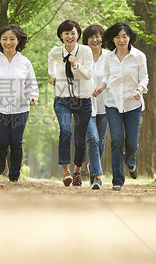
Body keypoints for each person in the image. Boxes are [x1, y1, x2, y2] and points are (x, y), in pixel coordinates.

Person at [93, 22, 149, 191]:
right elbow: (107, 77)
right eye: (117, 37)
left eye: (124, 36)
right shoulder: (109, 57)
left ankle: (131, 161)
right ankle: (118, 180)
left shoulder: (139, 56)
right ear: (113, 39)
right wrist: (101, 88)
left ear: (129, 37)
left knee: (131, 143)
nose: (121, 40)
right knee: (117, 140)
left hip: (133, 103)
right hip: (112, 103)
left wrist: (139, 90)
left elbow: (144, 78)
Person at [0, 24, 39, 182]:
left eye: (12, 39)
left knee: (16, 142)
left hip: (20, 108)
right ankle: (1, 156)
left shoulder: (25, 62)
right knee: (0, 142)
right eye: (5, 39)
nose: (8, 42)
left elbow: (31, 84)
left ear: (18, 41)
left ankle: (14, 177)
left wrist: (33, 96)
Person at [48, 20, 93, 188]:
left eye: (73, 33)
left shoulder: (86, 51)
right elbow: (50, 61)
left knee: (80, 139)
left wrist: (76, 65)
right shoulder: (55, 52)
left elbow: (88, 75)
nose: (70, 36)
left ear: (78, 35)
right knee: (66, 131)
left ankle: (77, 171)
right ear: (61, 35)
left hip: (83, 100)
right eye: (66, 33)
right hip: (62, 99)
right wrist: (52, 74)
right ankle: (65, 170)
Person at [82, 24, 109, 190]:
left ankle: (93, 166)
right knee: (93, 138)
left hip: (105, 105)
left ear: (102, 39)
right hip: (86, 105)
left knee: (101, 143)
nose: (95, 40)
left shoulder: (110, 57)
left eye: (98, 36)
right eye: (91, 37)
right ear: (86, 40)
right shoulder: (82, 57)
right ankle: (98, 177)